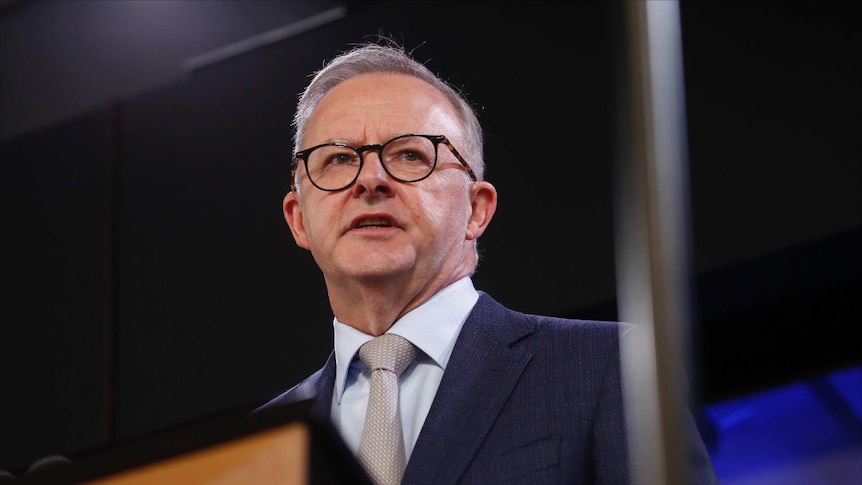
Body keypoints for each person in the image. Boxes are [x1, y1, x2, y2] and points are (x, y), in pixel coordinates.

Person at [258, 38, 718, 485]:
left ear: (476, 209)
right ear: (299, 220)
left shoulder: (612, 368)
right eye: (338, 159)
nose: (371, 180)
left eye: (411, 154)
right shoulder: (260, 449)